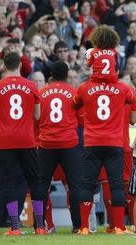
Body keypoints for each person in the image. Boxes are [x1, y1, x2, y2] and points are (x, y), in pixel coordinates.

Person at [73, 26, 136, 234]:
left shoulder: (84, 88)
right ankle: (118, 226)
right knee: (116, 185)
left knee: (87, 185)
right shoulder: (123, 89)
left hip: (91, 142)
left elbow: (73, 105)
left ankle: (83, 227)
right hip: (114, 142)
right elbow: (132, 101)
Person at [0, 52, 46, 235]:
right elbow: (37, 115)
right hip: (27, 140)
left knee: (8, 183)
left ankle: (14, 227)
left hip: (4, 142)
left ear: (4, 66)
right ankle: (40, 226)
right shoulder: (32, 86)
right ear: (20, 65)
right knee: (35, 181)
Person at [38, 61, 82, 233]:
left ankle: (41, 225)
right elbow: (81, 120)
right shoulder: (74, 92)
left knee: (42, 185)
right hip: (69, 143)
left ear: (51, 74)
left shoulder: (41, 93)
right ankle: (77, 225)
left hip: (46, 143)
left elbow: (37, 117)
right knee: (74, 185)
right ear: (66, 74)